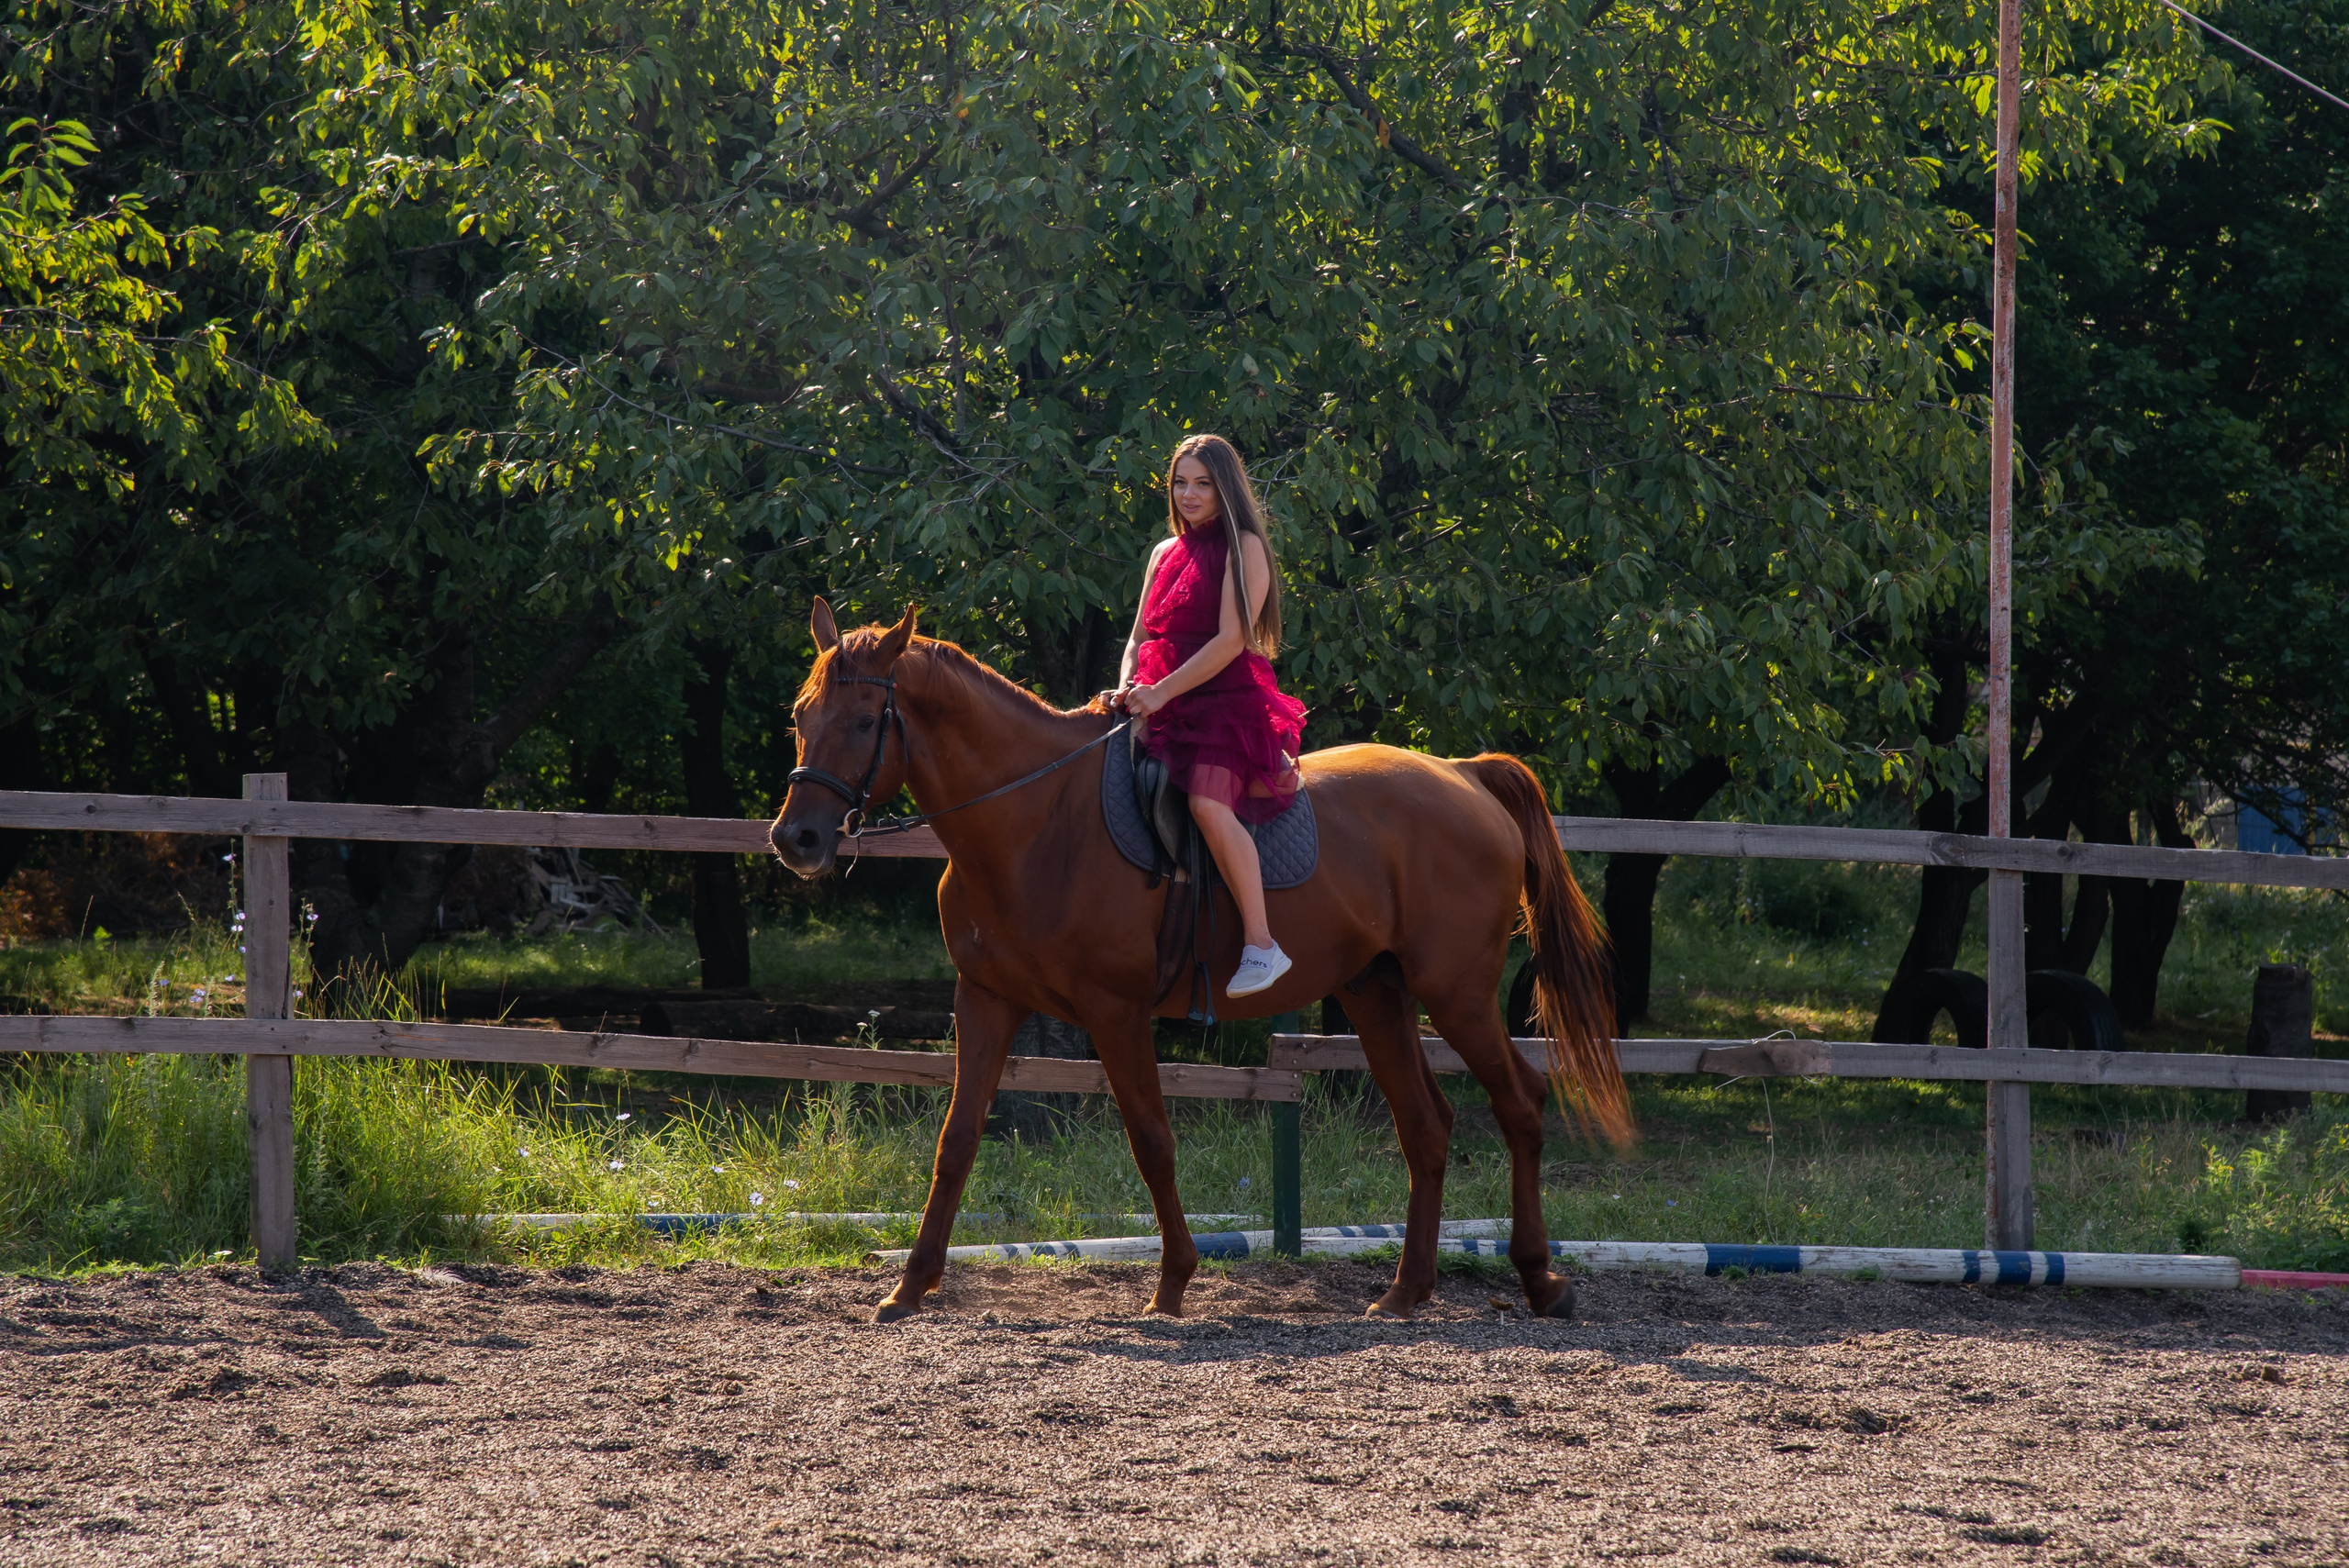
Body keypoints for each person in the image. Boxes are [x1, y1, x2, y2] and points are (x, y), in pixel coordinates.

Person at [1112, 434, 1308, 999]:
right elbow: (1138, 636)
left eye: (1202, 483)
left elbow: (1230, 641)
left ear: (1225, 488)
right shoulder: (1161, 553)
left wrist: (1161, 692)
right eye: (1180, 482)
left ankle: (1261, 945)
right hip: (1159, 696)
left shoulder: (1244, 546)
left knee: (1207, 804)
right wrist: (1129, 686)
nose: (1189, 494)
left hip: (1222, 703)